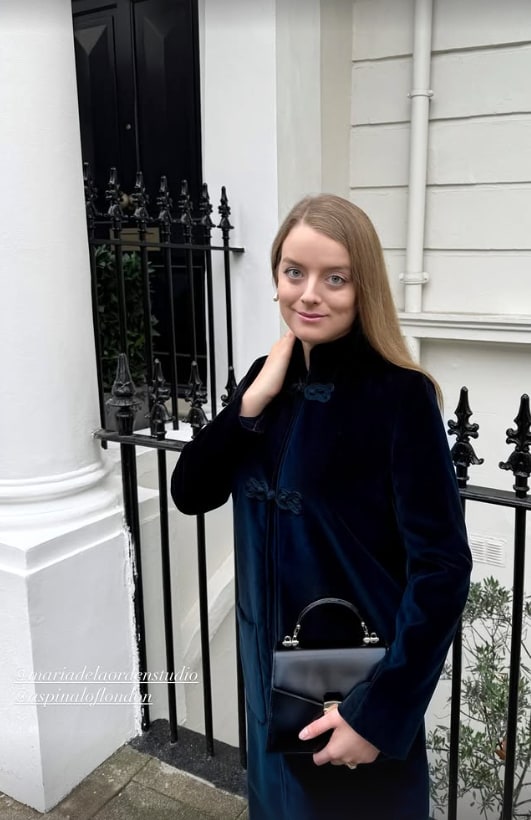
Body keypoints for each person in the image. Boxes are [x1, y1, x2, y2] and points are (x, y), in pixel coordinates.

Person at [171, 194, 472, 820]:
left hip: (351, 695)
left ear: (364, 289)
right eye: (294, 272)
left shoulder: (399, 397)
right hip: (268, 686)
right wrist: (250, 405)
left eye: (335, 278)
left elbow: (442, 569)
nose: (309, 294)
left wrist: (377, 714)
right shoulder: (267, 378)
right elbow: (191, 492)